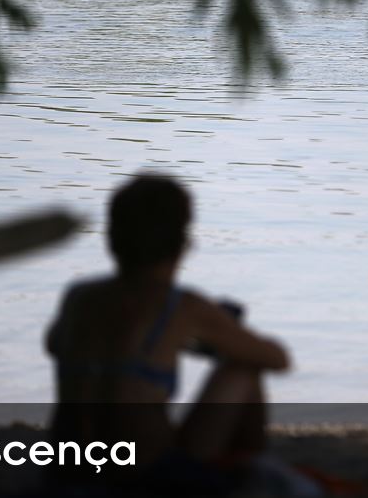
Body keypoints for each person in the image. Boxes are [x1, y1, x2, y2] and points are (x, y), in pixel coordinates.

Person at [45, 173, 291, 489]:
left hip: (67, 475)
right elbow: (278, 359)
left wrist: (172, 341)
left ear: (111, 240)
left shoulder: (78, 297)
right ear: (184, 243)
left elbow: (56, 345)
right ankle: (250, 474)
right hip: (148, 479)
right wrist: (218, 336)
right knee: (242, 368)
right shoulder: (183, 307)